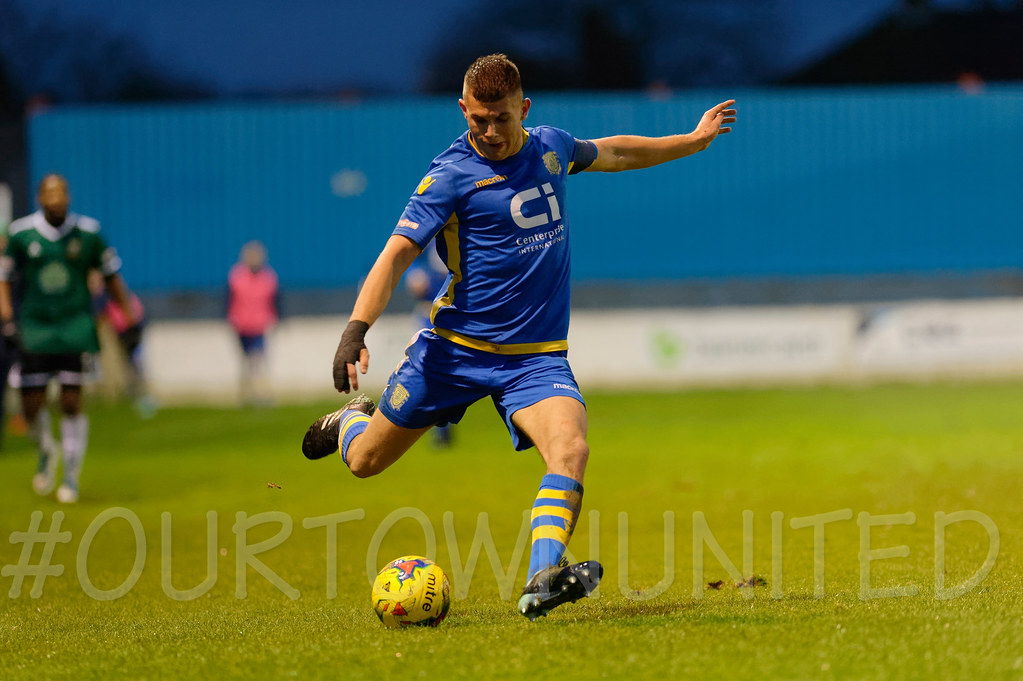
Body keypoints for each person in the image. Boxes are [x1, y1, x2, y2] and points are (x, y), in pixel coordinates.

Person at [302, 54, 736, 619]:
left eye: (501, 118)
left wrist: (692, 141)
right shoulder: (448, 176)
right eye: (478, 119)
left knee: (571, 448)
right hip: (452, 353)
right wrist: (356, 328)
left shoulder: (551, 147)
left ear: (523, 109)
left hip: (535, 359)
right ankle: (351, 420)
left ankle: (542, 579)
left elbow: (617, 151)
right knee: (363, 462)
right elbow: (396, 256)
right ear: (463, 110)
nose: (488, 131)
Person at [0, 174, 135, 503]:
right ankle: (47, 449)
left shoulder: (88, 233)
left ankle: (71, 475)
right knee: (31, 405)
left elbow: (111, 276)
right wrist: (7, 319)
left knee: (72, 402)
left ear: (69, 198)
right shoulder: (20, 234)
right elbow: (3, 278)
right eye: (50, 194)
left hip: (75, 325)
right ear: (39, 198)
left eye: (61, 194)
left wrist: (128, 316)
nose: (56, 200)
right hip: (35, 326)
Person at [403, 244, 454, 447]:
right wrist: (414, 276)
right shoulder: (431, 238)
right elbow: (411, 263)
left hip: (454, 315)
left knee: (446, 374)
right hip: (429, 317)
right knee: (432, 373)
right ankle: (440, 428)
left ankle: (443, 426)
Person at [226, 240, 279, 406]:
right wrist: (231, 319)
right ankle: (245, 394)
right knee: (245, 360)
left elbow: (275, 301)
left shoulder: (268, 277)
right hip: (241, 325)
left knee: (258, 359)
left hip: (259, 325)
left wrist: (275, 319)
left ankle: (262, 394)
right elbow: (229, 300)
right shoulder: (237, 276)